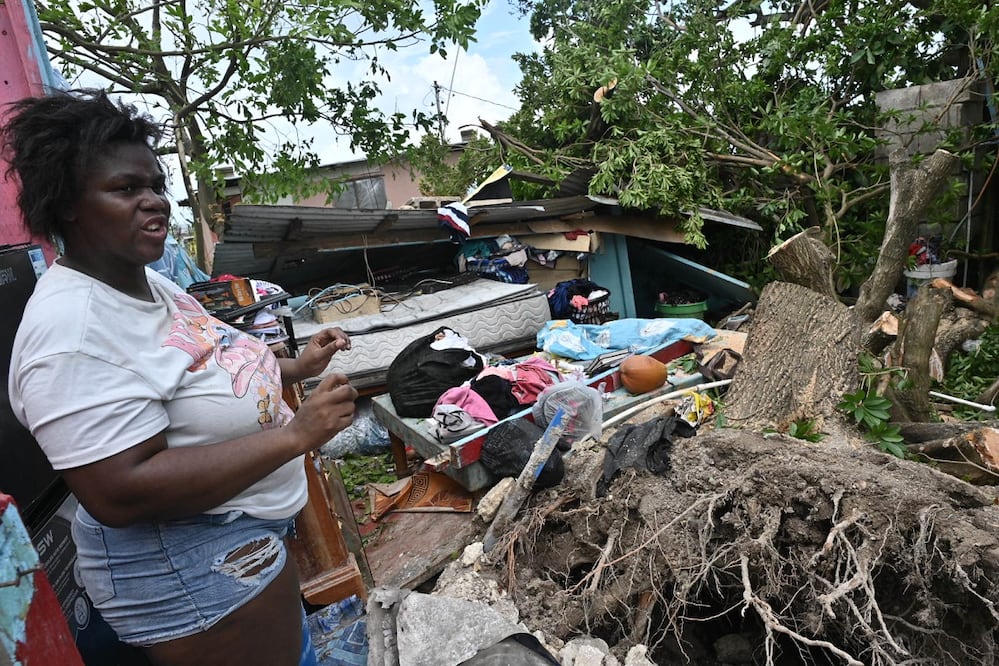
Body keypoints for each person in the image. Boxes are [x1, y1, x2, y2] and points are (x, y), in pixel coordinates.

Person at [2, 89, 358, 665]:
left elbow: (204, 363)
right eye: (125, 189)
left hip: (235, 539)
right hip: (188, 565)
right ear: (68, 203)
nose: (154, 203)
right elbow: (120, 489)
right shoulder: (71, 333)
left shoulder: (142, 281)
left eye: (156, 186)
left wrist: (296, 366)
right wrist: (296, 436)